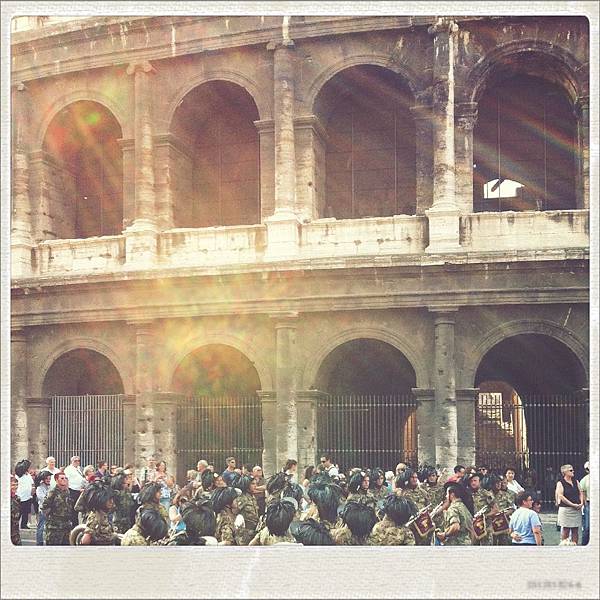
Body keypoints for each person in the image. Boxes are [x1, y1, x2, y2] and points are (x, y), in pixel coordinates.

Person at [395, 469, 431, 545]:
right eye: (412, 477)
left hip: (422, 526)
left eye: (416, 477)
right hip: (409, 527)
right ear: (408, 479)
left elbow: (428, 507)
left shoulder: (423, 492)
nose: (415, 479)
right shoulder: (402, 493)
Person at [464, 472, 498, 546]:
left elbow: (495, 509)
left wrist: (485, 516)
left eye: (475, 481)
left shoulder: (486, 494)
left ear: (479, 482)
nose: (473, 483)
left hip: (485, 527)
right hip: (473, 527)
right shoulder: (468, 494)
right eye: (471, 481)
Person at [41, 472, 75, 545]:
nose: (64, 480)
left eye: (65, 478)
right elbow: (44, 507)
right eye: (62, 478)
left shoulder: (67, 492)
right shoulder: (52, 492)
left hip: (66, 526)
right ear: (56, 480)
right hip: (55, 527)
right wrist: (51, 518)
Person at [555, 463, 584, 544]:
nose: (573, 471)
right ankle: (565, 545)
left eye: (573, 470)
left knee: (575, 529)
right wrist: (572, 504)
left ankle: (575, 545)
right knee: (566, 529)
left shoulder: (576, 481)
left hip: (576, 509)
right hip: (566, 509)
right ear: (565, 472)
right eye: (570, 470)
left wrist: (581, 502)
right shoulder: (560, 483)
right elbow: (561, 496)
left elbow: (580, 492)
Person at [485, 474, 514, 546]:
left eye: (500, 483)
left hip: (503, 524)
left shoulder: (505, 495)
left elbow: (512, 509)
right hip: (490, 525)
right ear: (492, 484)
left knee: (504, 545)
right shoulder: (486, 495)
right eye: (496, 483)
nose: (499, 485)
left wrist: (502, 514)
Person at [232, 474, 260, 545]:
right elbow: (234, 514)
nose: (255, 486)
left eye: (256, 484)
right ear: (247, 485)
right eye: (253, 484)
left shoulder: (252, 497)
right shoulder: (241, 498)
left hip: (254, 532)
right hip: (244, 534)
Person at [63, 456, 86, 528]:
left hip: (80, 490)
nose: (77, 462)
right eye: (75, 461)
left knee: (79, 508)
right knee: (73, 509)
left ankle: (78, 525)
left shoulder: (79, 469)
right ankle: (74, 526)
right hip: (72, 490)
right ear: (71, 461)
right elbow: (66, 480)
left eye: (78, 461)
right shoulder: (68, 469)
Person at [15, 459, 34, 529]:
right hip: (20, 497)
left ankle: (24, 524)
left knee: (26, 512)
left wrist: (31, 493)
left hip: (27, 497)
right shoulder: (17, 476)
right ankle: (15, 525)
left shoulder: (28, 475)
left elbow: (32, 484)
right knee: (18, 513)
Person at [34, 470, 52, 545]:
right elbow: (42, 498)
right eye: (47, 478)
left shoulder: (50, 486)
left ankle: (49, 540)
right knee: (41, 526)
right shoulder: (39, 488)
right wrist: (50, 498)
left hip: (51, 510)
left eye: (49, 478)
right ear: (43, 479)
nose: (48, 480)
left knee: (50, 527)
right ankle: (39, 541)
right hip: (43, 510)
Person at [580, 460, 590, 545]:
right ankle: (584, 543)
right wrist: (585, 504)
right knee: (587, 527)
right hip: (589, 503)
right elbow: (582, 493)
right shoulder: (584, 480)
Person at [10, 475, 21, 545]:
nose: (15, 487)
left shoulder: (17, 498)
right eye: (13, 485)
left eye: (16, 485)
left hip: (15, 532)